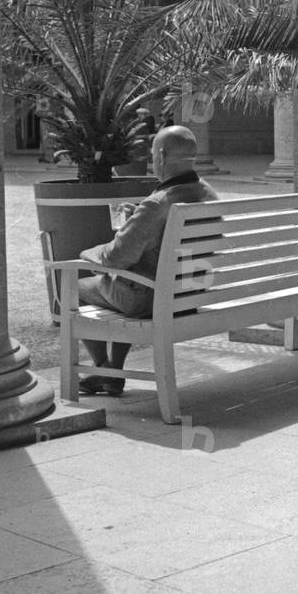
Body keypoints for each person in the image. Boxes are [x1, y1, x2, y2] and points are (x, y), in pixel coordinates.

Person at [76, 125, 218, 395]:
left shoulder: (157, 203)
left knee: (76, 287)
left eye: (153, 154)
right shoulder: (208, 193)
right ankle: (111, 372)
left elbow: (116, 258)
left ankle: (105, 369)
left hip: (154, 298)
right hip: (191, 293)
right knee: (128, 279)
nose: (152, 160)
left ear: (162, 155)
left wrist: (87, 254)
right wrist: (137, 222)